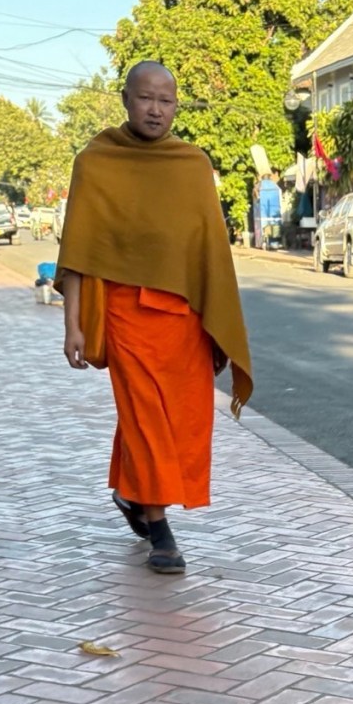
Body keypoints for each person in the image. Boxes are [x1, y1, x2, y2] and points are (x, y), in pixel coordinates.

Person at [56, 61, 252, 574]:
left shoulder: (191, 165)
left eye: (166, 101)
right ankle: (160, 529)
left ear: (177, 106)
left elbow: (210, 254)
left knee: (184, 420)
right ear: (125, 99)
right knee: (145, 417)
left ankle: (132, 493)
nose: (156, 110)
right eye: (146, 98)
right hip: (125, 314)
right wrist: (73, 325)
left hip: (184, 319)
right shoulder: (96, 162)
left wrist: (217, 327)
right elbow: (78, 252)